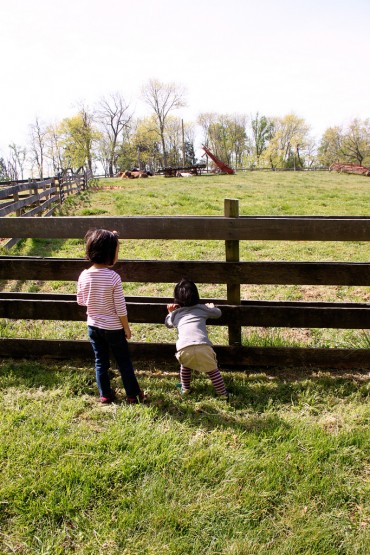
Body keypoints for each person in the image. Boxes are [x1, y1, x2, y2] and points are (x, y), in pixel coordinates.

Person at [77, 228, 145, 404]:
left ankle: (105, 394)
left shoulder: (83, 275)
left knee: (100, 361)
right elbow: (121, 308)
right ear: (109, 254)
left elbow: (81, 301)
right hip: (113, 328)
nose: (117, 255)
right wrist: (126, 328)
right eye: (117, 252)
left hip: (93, 326)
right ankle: (133, 394)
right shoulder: (113, 277)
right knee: (123, 361)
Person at [165, 278, 229, 399]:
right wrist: (211, 307)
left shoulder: (176, 314)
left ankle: (185, 389)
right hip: (202, 346)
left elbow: (168, 323)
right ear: (196, 296)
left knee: (185, 367)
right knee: (212, 371)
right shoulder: (202, 308)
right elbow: (218, 313)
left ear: (177, 300)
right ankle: (223, 394)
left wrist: (170, 312)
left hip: (183, 348)